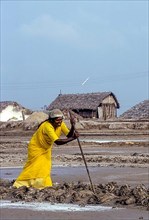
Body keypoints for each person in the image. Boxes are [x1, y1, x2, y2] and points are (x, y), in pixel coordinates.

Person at [13, 109, 79, 189]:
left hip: (46, 148)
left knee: (45, 166)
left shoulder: (61, 124)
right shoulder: (47, 126)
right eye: (57, 120)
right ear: (51, 120)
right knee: (34, 166)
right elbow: (58, 142)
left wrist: (72, 126)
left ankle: (42, 184)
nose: (59, 122)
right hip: (36, 147)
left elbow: (68, 135)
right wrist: (73, 138)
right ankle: (21, 183)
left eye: (61, 120)